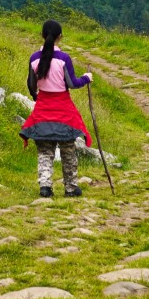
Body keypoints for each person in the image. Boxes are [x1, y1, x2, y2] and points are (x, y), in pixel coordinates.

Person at [19, 18, 93, 198]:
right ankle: (71, 188)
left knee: (45, 151)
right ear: (60, 36)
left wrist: (38, 98)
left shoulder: (34, 58)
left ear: (42, 35)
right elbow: (72, 83)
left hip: (43, 109)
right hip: (63, 110)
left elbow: (31, 84)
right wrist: (86, 78)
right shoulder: (63, 59)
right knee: (68, 150)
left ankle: (45, 187)